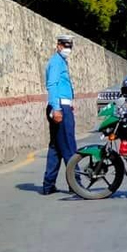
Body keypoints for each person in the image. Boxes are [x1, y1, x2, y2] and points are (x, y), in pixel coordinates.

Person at [42, 34, 77, 195]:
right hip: (59, 107)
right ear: (58, 46)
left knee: (56, 147)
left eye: (70, 46)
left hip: (63, 105)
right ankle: (75, 183)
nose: (67, 49)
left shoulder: (61, 62)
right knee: (69, 146)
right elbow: (52, 85)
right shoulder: (56, 62)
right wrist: (57, 108)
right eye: (65, 45)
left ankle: (48, 185)